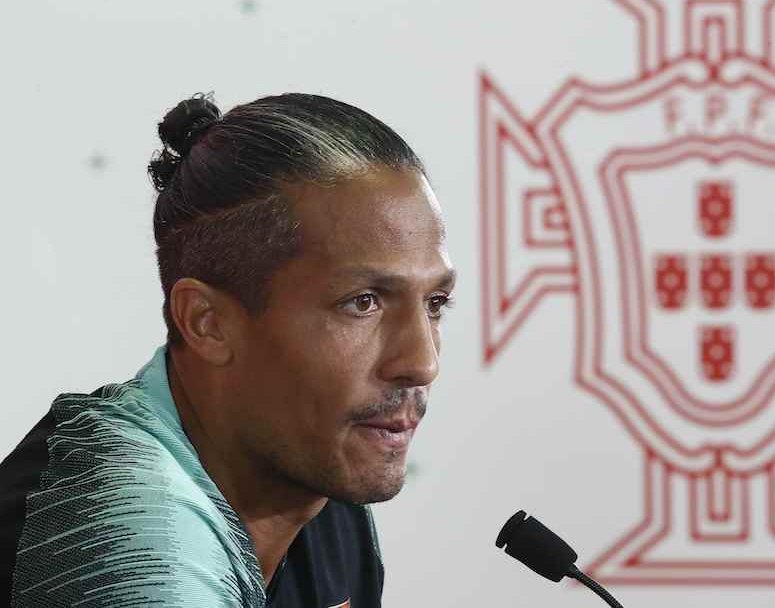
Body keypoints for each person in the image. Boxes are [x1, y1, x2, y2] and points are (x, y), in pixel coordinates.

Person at [0, 93, 455, 607]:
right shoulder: (133, 539)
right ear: (207, 322)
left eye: (436, 303)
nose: (423, 363)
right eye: (362, 303)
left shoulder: (321, 485)